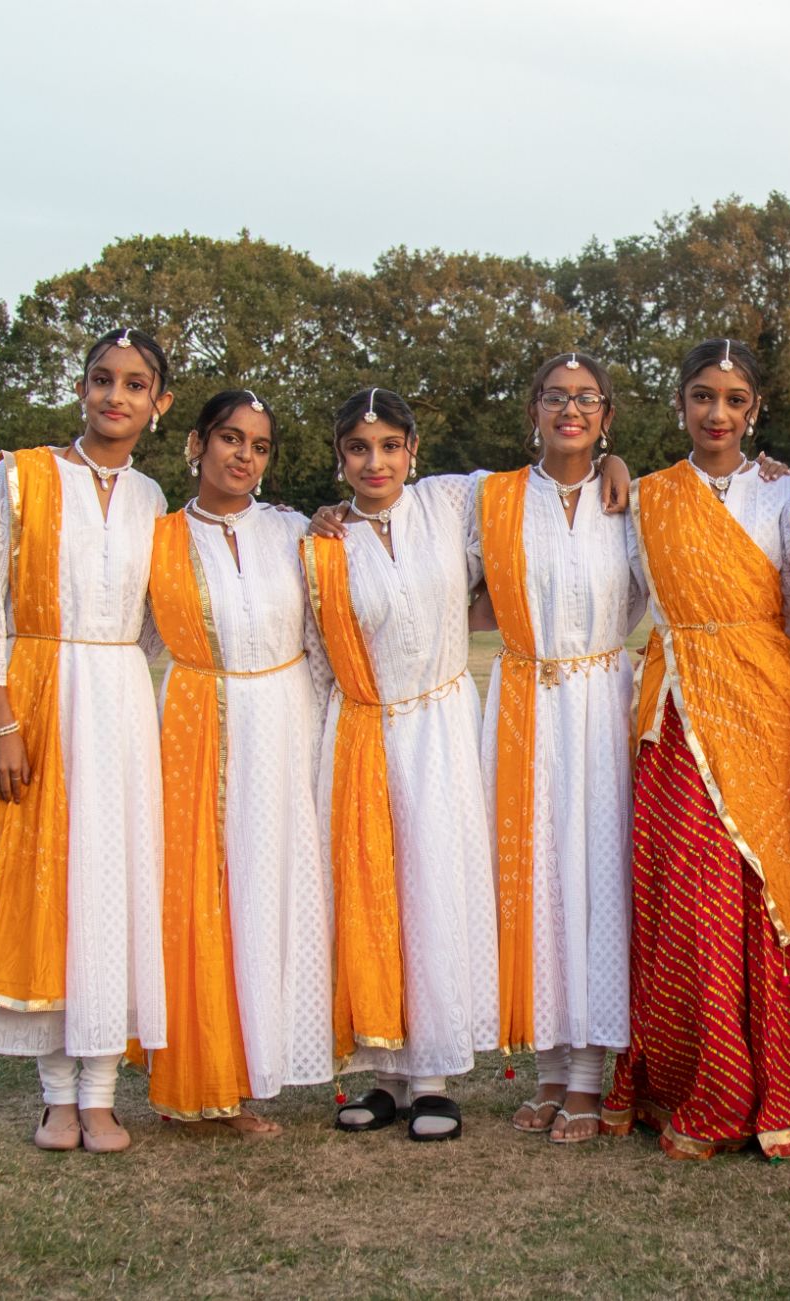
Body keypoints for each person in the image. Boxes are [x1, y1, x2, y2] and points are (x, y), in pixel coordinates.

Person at [602, 337, 790, 1160]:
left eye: (735, 399)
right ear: (680, 403)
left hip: (766, 702)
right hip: (678, 713)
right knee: (694, 890)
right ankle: (701, 1077)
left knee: (767, 886)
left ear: (755, 411)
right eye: (703, 395)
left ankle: (777, 1077)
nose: (718, 412)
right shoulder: (645, 495)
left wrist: (743, 656)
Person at [0, 327, 174, 1155]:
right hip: (38, 700)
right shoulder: (21, 476)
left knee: (114, 887)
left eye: (135, 383)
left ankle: (104, 1091)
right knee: (47, 885)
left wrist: (115, 672)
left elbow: (159, 620)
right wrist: (2, 721)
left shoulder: (153, 498)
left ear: (159, 402)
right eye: (102, 379)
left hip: (121, 707)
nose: (116, 396)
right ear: (82, 387)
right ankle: (55, 1096)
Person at [135, 389, 331, 1137]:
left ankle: (257, 1068)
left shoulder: (297, 531)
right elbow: (130, 639)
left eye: (259, 445)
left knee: (273, 894)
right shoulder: (156, 539)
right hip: (197, 725)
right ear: (195, 443)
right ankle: (202, 1082)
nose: (243, 456)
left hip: (286, 724)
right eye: (229, 438)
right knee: (203, 897)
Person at [305, 387, 498, 1144]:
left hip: (443, 726)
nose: (375, 461)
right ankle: (383, 1072)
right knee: (369, 888)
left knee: (435, 888)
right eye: (359, 447)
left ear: (413, 450)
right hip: (363, 729)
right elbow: (319, 656)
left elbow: (540, 483)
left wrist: (612, 458)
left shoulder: (451, 503)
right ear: (339, 457)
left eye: (390, 445)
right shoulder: (320, 542)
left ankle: (434, 1078)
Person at [475, 352, 645, 1146]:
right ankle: (548, 1066)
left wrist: (616, 465)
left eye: (587, 400)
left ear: (607, 414)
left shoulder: (633, 502)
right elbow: (392, 509)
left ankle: (589, 1076)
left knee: (596, 879)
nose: (569, 411)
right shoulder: (488, 497)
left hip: (604, 703)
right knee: (535, 880)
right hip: (522, 706)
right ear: (532, 409)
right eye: (555, 397)